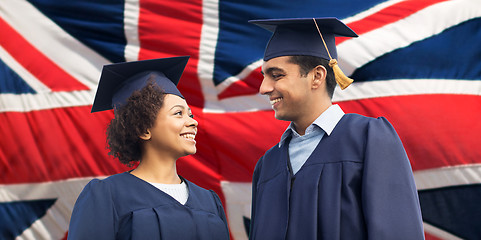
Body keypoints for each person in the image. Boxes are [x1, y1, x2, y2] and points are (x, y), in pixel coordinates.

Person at [248, 18, 424, 239]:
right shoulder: (267, 165)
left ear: (317, 76)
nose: (264, 88)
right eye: (264, 76)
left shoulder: (368, 139)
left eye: (276, 75)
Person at [68, 56, 230, 240]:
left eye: (190, 114)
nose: (193, 122)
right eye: (179, 113)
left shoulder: (209, 201)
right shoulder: (107, 195)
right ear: (143, 129)